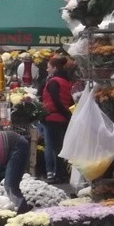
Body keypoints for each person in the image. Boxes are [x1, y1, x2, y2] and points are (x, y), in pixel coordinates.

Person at [41, 55, 74, 184]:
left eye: (48, 67)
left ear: (55, 68)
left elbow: (56, 100)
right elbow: (68, 100)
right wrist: (68, 115)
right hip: (61, 119)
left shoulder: (54, 81)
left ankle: (54, 174)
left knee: (52, 147)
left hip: (53, 117)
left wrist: (65, 114)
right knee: (60, 147)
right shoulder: (66, 81)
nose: (47, 69)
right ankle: (61, 173)